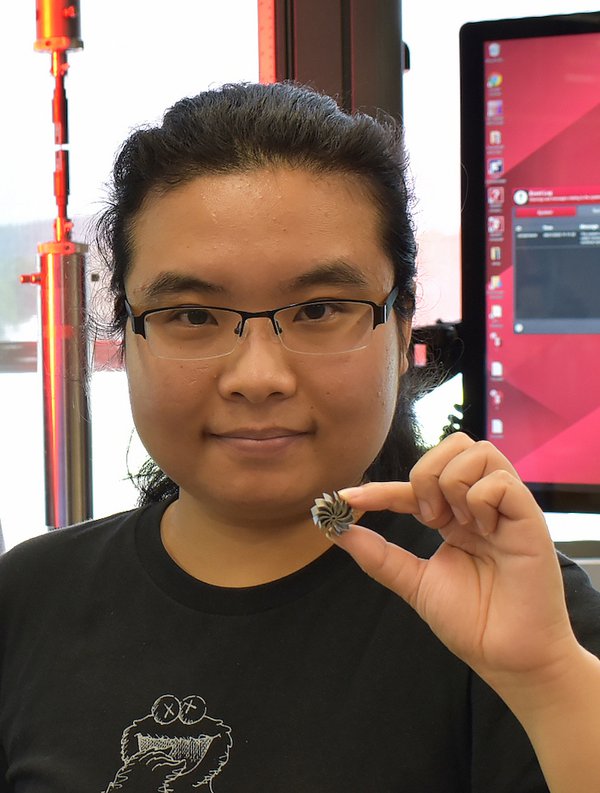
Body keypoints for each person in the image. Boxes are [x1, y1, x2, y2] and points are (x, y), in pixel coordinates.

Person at [0, 82, 599, 793]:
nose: (258, 376)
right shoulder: (28, 598)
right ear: (126, 335)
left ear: (403, 326)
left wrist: (548, 677)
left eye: (320, 308)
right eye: (192, 315)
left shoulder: (518, 606)